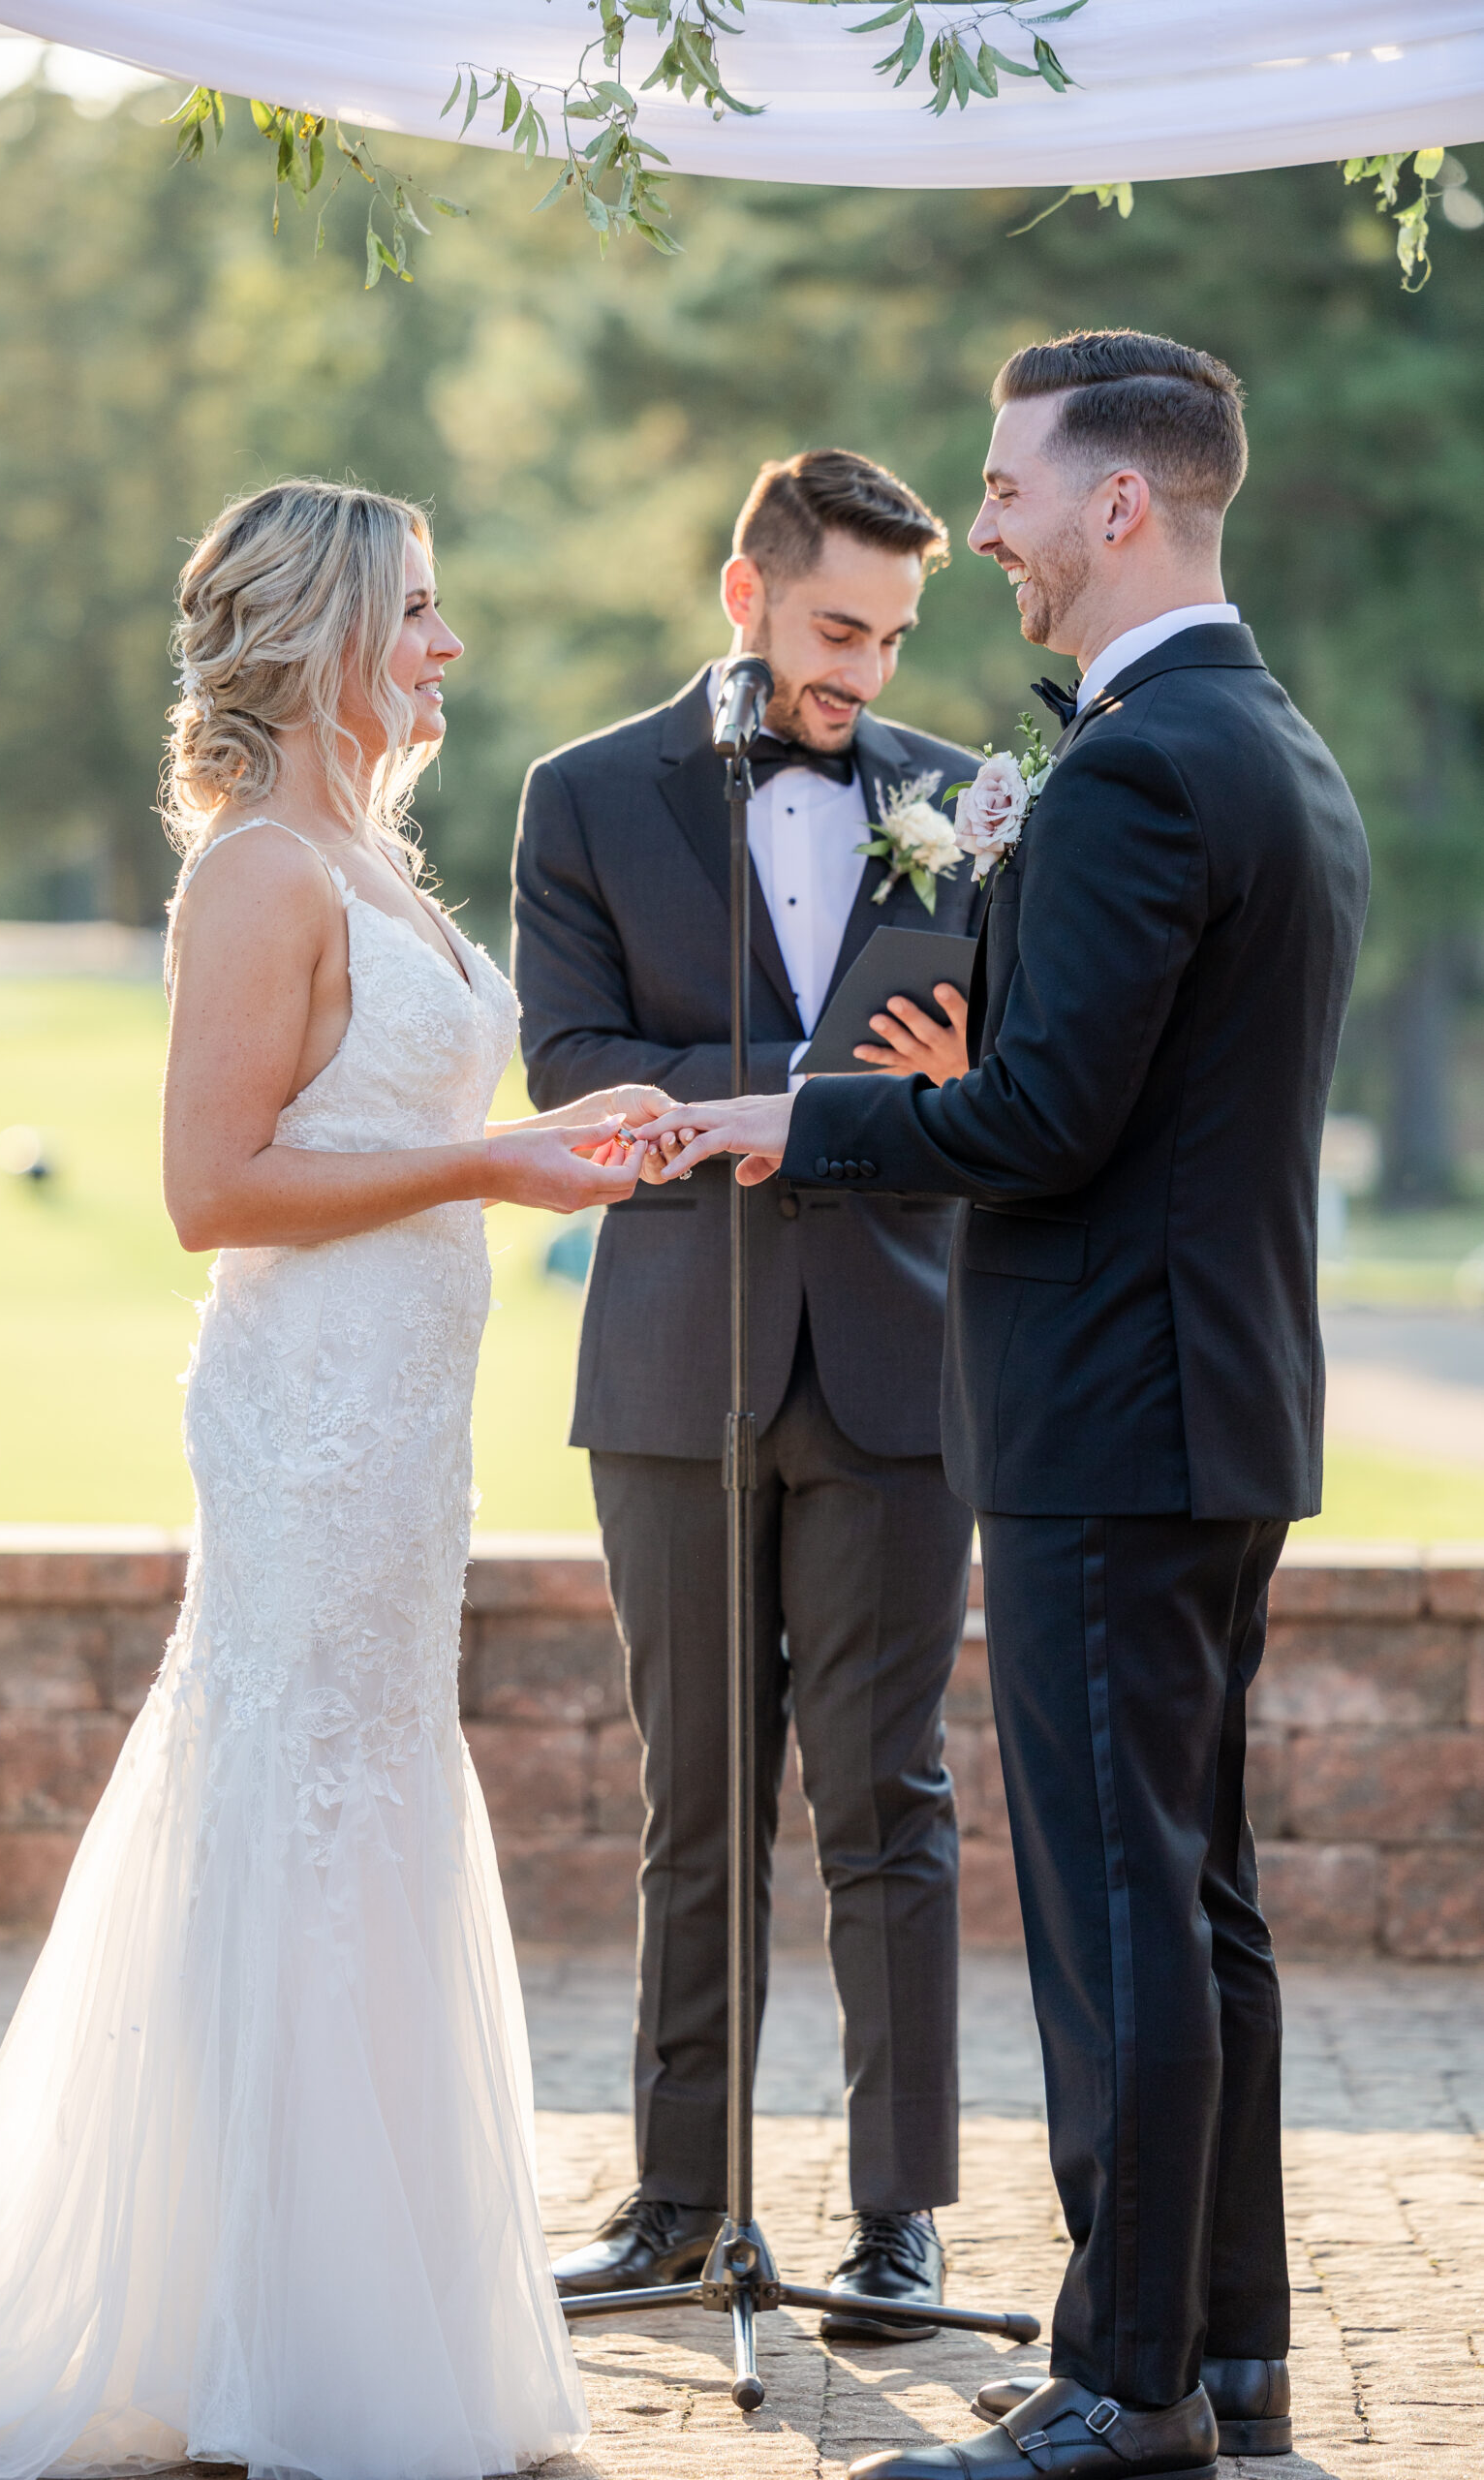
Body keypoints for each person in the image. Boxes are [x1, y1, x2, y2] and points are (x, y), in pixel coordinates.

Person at [0, 479, 660, 2479]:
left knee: (364, 1779)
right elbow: (217, 1189)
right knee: (288, 1777)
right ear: (323, 636)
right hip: (305, 1417)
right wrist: (488, 1164)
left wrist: (591, 1124)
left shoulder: (374, 862)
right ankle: (249, 2334)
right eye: (422, 613)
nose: (450, 650)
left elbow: (424, 1115)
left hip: (400, 1430)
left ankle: (341, 2311)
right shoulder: (257, 879)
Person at [638, 335, 1371, 2479]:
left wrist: (812, 1115)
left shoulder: (1142, 760)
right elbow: (1124, 1081)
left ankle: (1118, 2380)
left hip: (1105, 1403)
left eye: (1008, 486)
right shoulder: (1267, 742)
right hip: (1212, 1399)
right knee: (1192, 1888)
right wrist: (994, 1039)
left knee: (1116, 1901)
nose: (986, 530)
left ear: (1119, 500)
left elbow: (1045, 1116)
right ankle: (1225, 2354)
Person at [512, 450, 985, 2337]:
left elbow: (1008, 1084)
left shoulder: (968, 803)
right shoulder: (580, 794)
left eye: (890, 633)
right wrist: (811, 1085)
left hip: (895, 1364)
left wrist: (934, 1077)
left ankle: (900, 2222)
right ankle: (678, 2203)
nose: (862, 668)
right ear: (744, 593)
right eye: (832, 626)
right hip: (669, 1367)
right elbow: (568, 1062)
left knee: (890, 1799)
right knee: (691, 1800)